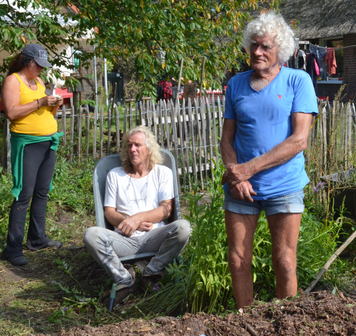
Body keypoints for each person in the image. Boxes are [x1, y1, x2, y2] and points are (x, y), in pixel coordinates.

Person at [220, 11, 318, 309]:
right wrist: (235, 176)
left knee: (285, 261)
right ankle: (244, 321)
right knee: (237, 260)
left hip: (283, 186)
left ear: (281, 50)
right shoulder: (236, 85)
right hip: (240, 189)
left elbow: (299, 140)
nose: (258, 52)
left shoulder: (297, 81)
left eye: (265, 46)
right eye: (254, 45)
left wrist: (246, 170)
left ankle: (286, 323)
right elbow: (226, 139)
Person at [84, 125, 191, 306]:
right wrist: (127, 223)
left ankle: (151, 271)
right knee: (91, 235)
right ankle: (124, 279)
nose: (132, 149)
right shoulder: (115, 175)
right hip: (123, 239)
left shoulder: (162, 173)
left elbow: (166, 210)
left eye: (138, 145)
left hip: (154, 237)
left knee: (183, 228)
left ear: (149, 149)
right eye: (129, 145)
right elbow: (109, 212)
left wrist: (137, 218)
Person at [1, 43, 64, 266]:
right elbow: (11, 112)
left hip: (48, 142)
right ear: (28, 62)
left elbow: (42, 111)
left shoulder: (37, 81)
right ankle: (13, 248)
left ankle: (37, 238)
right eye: (39, 65)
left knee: (42, 192)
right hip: (27, 144)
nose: (41, 70)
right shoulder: (12, 81)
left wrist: (54, 104)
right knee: (23, 194)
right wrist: (39, 101)